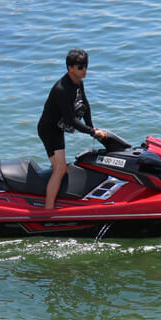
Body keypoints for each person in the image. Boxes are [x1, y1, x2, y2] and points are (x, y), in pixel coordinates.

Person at [37, 48, 107, 210]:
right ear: (70, 68)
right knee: (60, 169)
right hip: (49, 130)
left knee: (57, 167)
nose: (84, 71)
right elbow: (70, 119)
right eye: (80, 67)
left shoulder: (77, 83)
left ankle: (43, 195)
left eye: (86, 67)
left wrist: (91, 127)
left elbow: (85, 105)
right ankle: (48, 211)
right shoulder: (62, 89)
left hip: (56, 129)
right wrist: (91, 132)